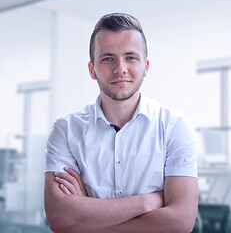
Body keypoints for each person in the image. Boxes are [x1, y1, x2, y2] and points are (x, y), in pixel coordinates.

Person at [44, 13, 198, 233]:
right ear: (91, 69)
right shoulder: (66, 130)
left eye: (130, 58)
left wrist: (87, 216)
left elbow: (180, 222)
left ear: (146, 66)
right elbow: (60, 218)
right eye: (108, 58)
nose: (120, 69)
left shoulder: (174, 127)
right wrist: (148, 202)